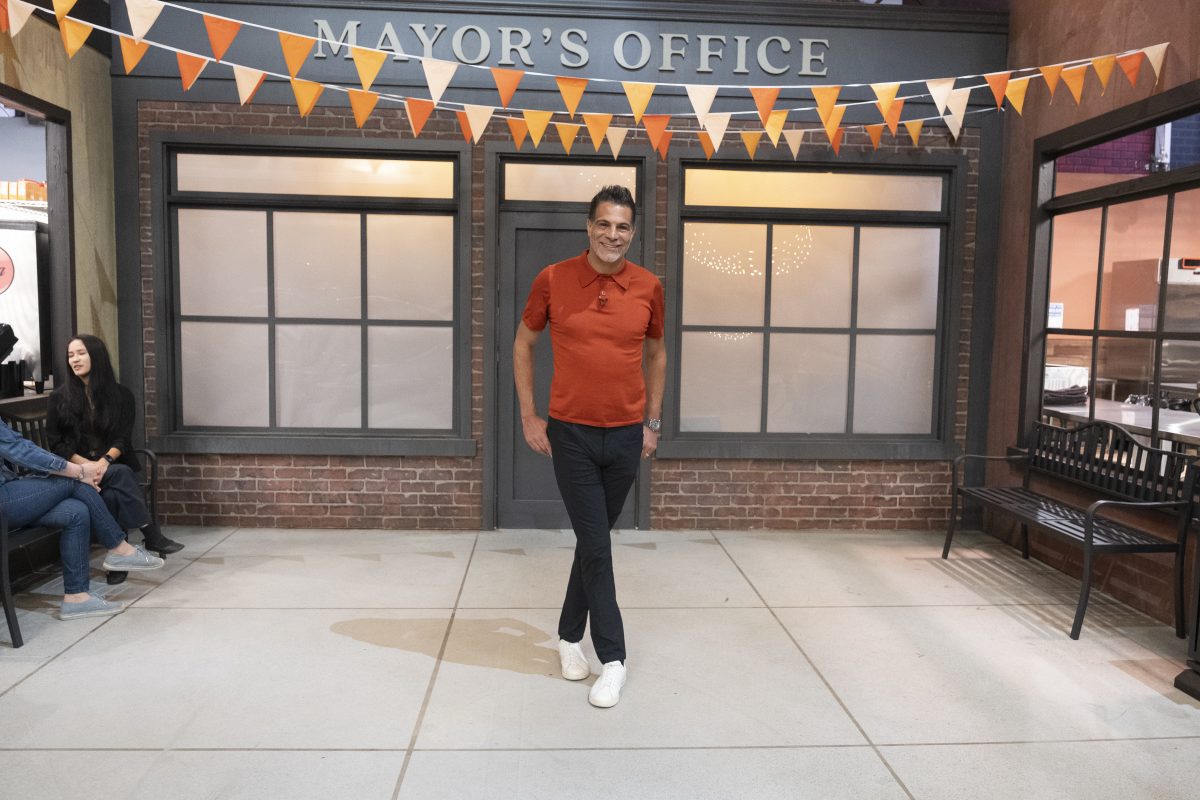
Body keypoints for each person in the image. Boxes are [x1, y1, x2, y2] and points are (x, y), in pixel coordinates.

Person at [513, 185, 666, 709]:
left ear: (633, 232)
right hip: (571, 434)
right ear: (588, 227)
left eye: (623, 227)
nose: (613, 235)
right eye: (604, 224)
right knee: (598, 546)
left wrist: (653, 423)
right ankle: (615, 659)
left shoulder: (648, 286)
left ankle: (566, 635)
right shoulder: (553, 279)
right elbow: (524, 343)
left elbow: (658, 354)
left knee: (591, 541)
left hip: (626, 435)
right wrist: (529, 414)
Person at [46, 335, 183, 584]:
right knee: (120, 475)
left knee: (112, 490)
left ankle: (117, 557)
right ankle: (150, 535)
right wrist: (85, 466)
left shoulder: (121, 396)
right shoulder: (59, 398)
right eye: (71, 355)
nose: (74, 359)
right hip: (75, 470)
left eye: (81, 353)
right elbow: (55, 443)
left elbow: (122, 438)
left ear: (96, 356)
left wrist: (103, 463)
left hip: (109, 466)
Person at [0, 417, 165, 620]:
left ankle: (76, 598)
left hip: (9, 495)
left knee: (76, 512)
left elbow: (19, 447)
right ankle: (118, 547)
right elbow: (20, 449)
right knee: (76, 481)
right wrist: (78, 471)